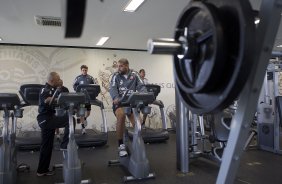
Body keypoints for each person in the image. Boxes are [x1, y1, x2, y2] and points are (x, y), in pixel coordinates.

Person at [109, 58, 146, 157]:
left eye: (120, 66)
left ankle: (136, 143)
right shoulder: (115, 76)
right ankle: (120, 145)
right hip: (120, 103)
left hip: (131, 102)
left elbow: (142, 86)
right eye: (118, 66)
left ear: (126, 66)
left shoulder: (134, 74)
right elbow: (112, 88)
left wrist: (144, 94)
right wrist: (116, 97)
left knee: (138, 123)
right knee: (121, 116)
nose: (119, 68)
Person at [36, 72, 70, 177]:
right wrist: (59, 99)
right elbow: (47, 99)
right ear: (52, 80)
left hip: (49, 119)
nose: (59, 80)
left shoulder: (52, 89)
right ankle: (64, 145)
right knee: (70, 120)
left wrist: (60, 91)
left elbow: (59, 94)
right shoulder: (45, 89)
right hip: (45, 119)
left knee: (47, 146)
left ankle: (42, 170)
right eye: (58, 79)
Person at [73, 64, 96, 134]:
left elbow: (95, 86)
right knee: (82, 113)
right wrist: (78, 92)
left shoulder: (91, 78)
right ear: (81, 70)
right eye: (83, 70)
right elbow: (74, 86)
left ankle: (84, 119)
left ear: (87, 70)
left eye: (85, 70)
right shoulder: (78, 78)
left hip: (88, 99)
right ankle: (83, 129)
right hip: (81, 100)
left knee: (88, 113)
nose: (84, 71)